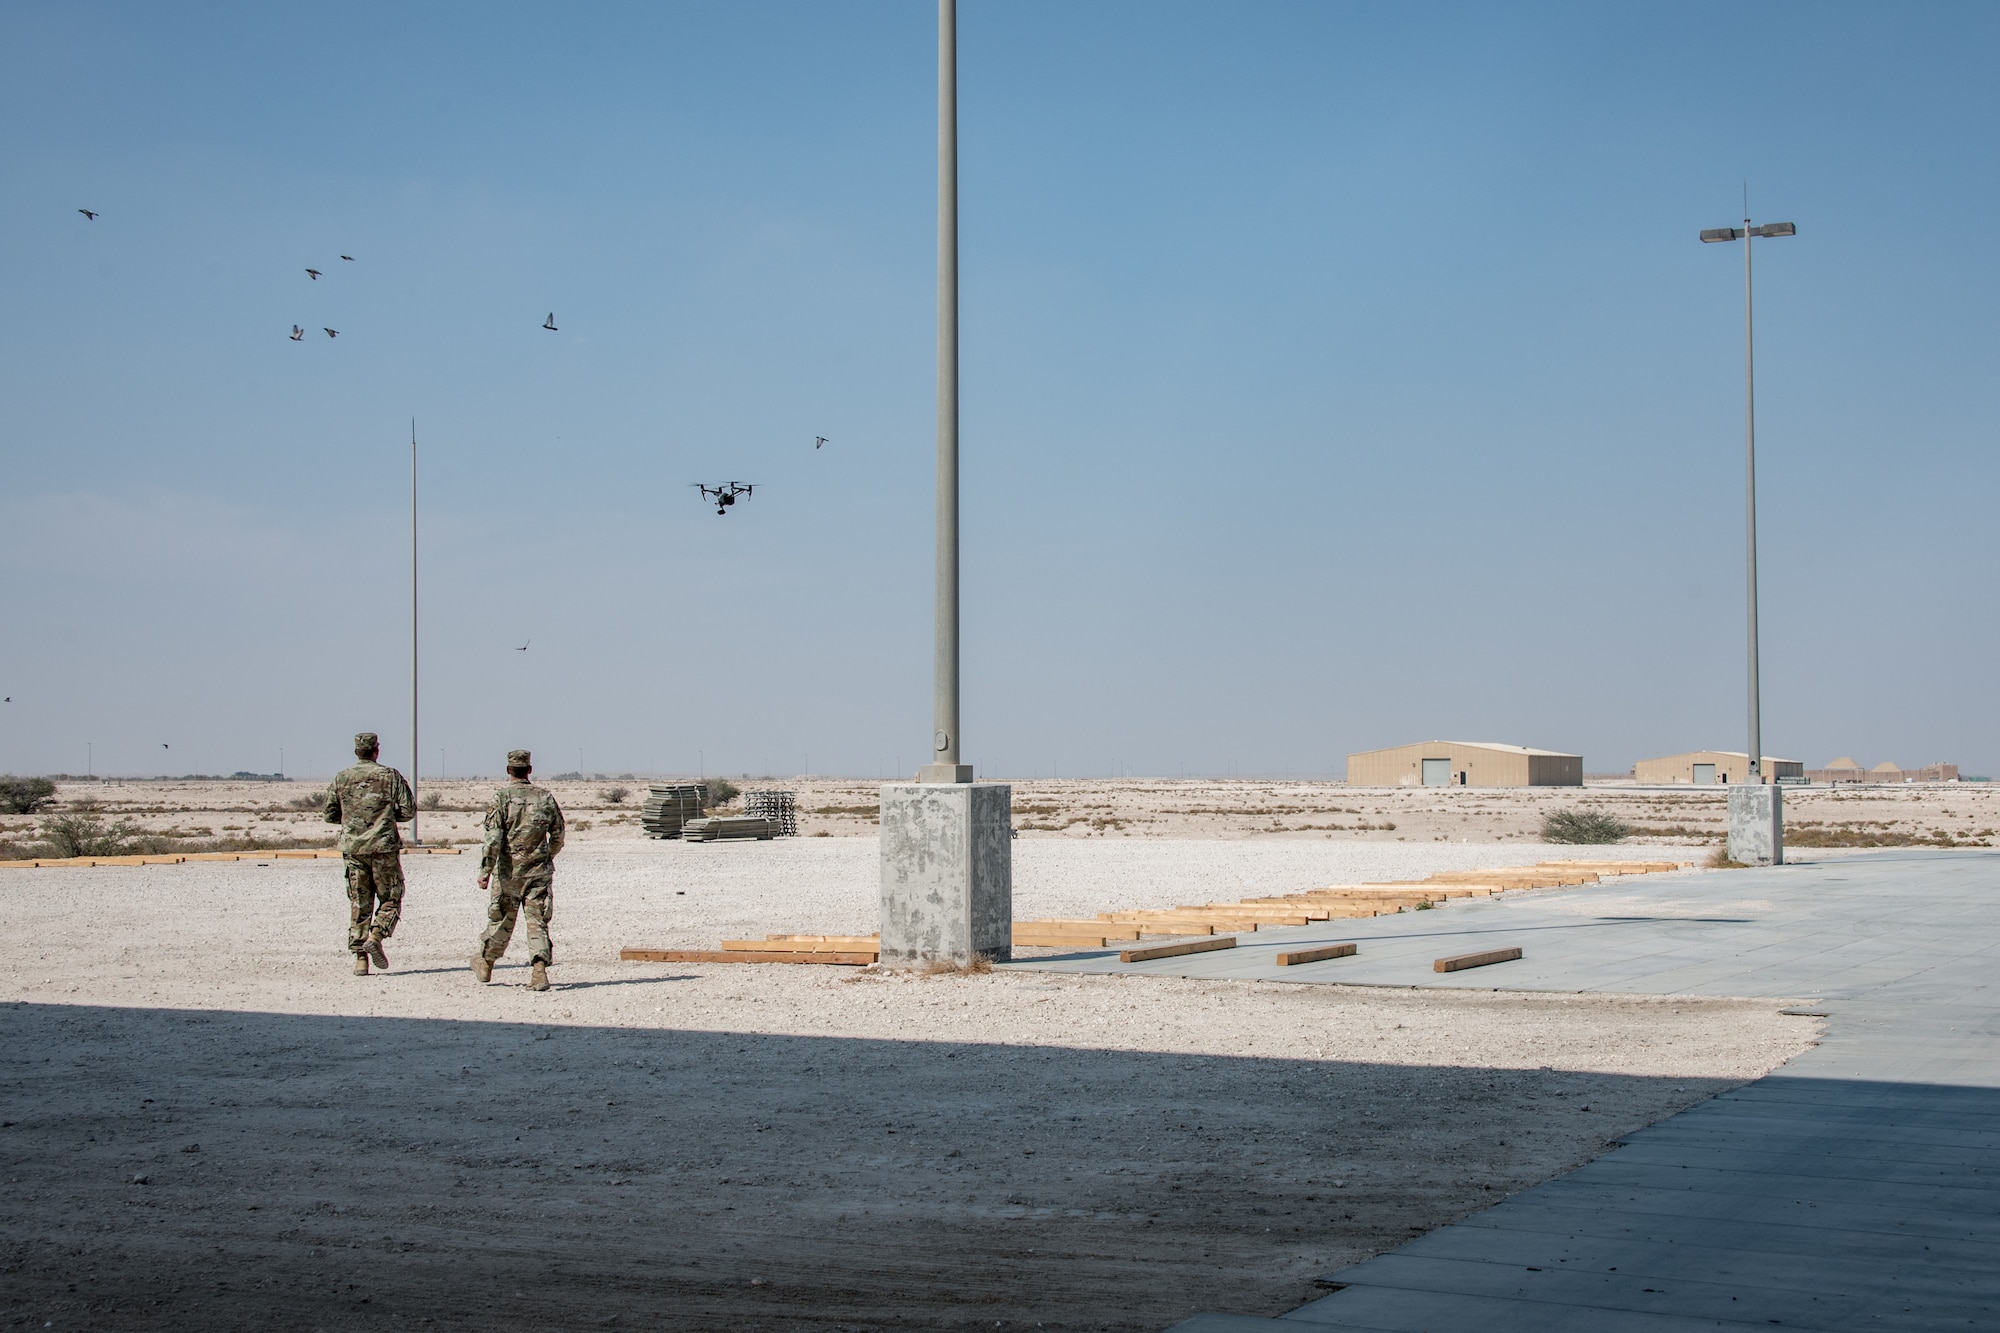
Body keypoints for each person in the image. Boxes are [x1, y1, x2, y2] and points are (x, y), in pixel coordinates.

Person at [322, 731, 415, 976]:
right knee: (391, 898)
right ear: (376, 751)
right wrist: (383, 818)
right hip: (383, 847)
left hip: (354, 849)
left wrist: (355, 819)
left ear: (356, 752)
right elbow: (408, 810)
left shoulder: (342, 778)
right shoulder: (389, 776)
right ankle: (376, 935)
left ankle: (360, 959)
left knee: (359, 902)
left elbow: (330, 813)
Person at [474, 749, 565, 991]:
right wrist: (546, 857)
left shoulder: (501, 799)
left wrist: (485, 871)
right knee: (537, 922)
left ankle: (487, 962)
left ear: (508, 770)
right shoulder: (545, 797)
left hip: (509, 873)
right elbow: (558, 835)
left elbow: (493, 840)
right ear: (530, 770)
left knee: (501, 920)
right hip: (538, 873)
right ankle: (539, 970)